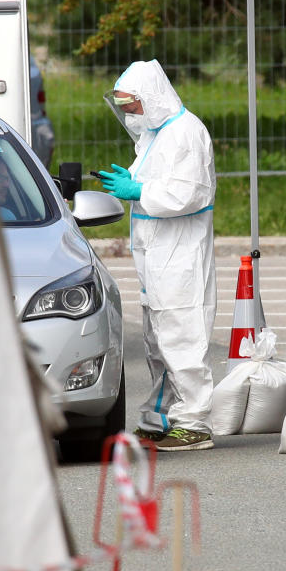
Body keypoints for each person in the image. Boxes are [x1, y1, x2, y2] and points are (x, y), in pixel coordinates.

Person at [98, 59, 217, 451]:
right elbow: (158, 181)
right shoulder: (155, 135)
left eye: (132, 105)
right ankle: (160, 416)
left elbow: (190, 193)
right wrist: (135, 182)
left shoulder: (185, 132)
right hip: (157, 254)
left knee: (181, 333)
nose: (129, 113)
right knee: (157, 338)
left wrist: (139, 192)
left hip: (179, 251)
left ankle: (193, 421)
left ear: (151, 98)